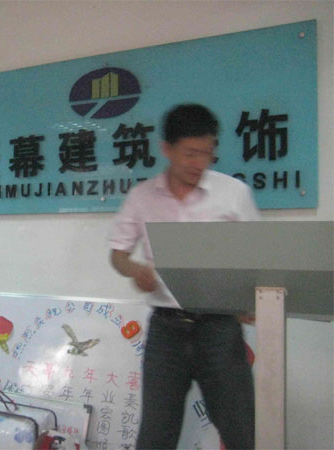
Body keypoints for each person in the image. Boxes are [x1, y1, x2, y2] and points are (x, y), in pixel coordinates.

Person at [108, 104, 259, 449]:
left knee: (242, 432)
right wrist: (135, 270)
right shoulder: (142, 197)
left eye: (207, 153)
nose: (199, 163)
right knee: (155, 436)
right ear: (167, 149)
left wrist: (248, 296)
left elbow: (255, 256)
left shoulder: (233, 194)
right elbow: (118, 254)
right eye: (190, 153)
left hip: (220, 328)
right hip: (166, 331)